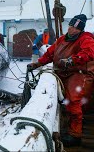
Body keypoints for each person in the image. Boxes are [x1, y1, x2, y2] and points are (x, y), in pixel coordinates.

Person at [27, 14, 94, 147]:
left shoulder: (86, 39)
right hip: (63, 73)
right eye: (70, 26)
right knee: (69, 102)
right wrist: (37, 64)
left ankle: (76, 135)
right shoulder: (62, 39)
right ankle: (76, 121)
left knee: (74, 100)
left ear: (80, 30)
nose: (71, 29)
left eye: (75, 28)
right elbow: (49, 54)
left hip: (78, 73)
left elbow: (89, 52)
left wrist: (72, 60)